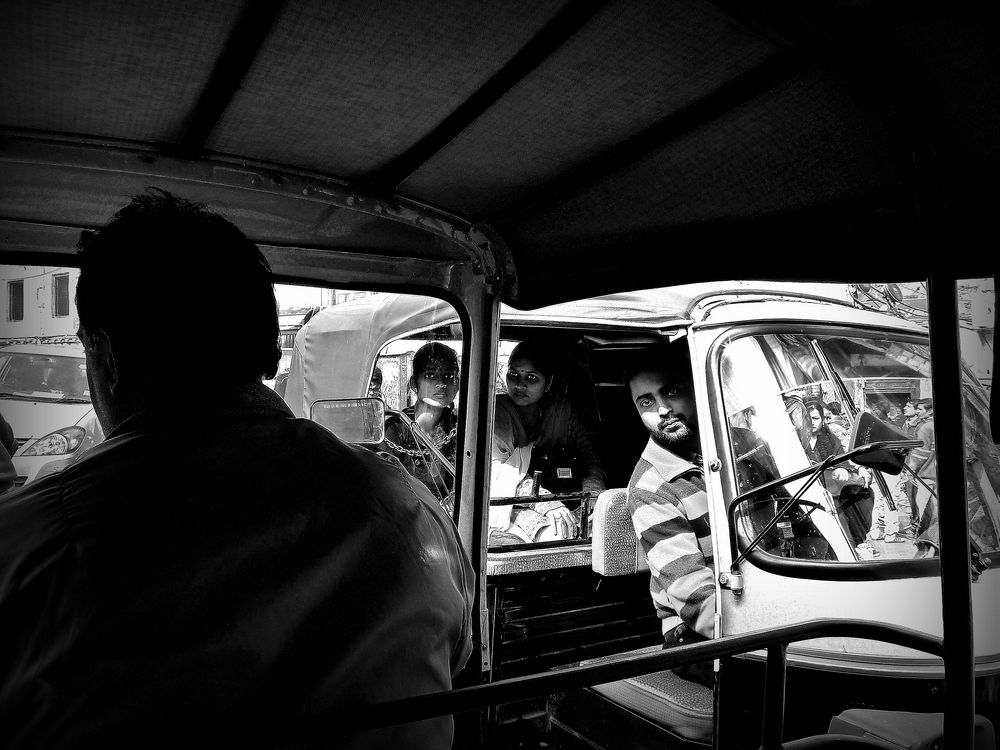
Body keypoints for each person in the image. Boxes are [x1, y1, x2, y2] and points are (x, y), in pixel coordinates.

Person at [0, 190, 474, 749]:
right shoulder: (410, 512)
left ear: (104, 355)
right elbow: (460, 660)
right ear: (271, 352)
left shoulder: (33, 545)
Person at [623, 344, 715, 687]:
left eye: (672, 392)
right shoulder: (651, 487)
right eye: (646, 402)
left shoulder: (737, 450)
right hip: (694, 637)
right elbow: (694, 598)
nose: (662, 409)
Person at [489, 340, 604, 543]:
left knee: (599, 527)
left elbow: (590, 459)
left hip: (566, 496)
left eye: (531, 378)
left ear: (548, 383)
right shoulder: (499, 412)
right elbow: (500, 474)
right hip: (512, 505)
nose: (519, 385)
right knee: (555, 533)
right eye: (513, 374)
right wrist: (547, 504)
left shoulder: (561, 413)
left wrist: (593, 496)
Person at [382, 343, 459, 509]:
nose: (441, 384)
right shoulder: (395, 427)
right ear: (413, 383)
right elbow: (385, 488)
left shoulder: (460, 428)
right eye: (431, 376)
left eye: (449, 376)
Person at [908, 398, 938, 554]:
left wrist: (909, 471)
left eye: (920, 409)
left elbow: (920, 454)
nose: (917, 412)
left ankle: (924, 547)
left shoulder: (926, 427)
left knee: (924, 514)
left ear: (930, 411)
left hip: (925, 477)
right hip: (936, 477)